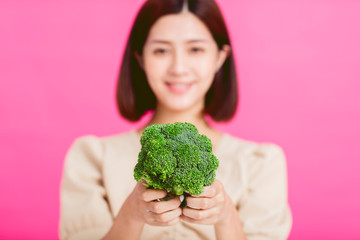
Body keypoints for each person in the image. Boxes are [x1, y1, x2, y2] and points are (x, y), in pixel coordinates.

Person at [59, 0, 292, 239]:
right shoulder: (93, 158)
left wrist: (226, 216)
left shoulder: (260, 164)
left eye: (195, 49)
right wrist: (131, 214)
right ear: (140, 58)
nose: (178, 68)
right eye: (161, 50)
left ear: (220, 57)